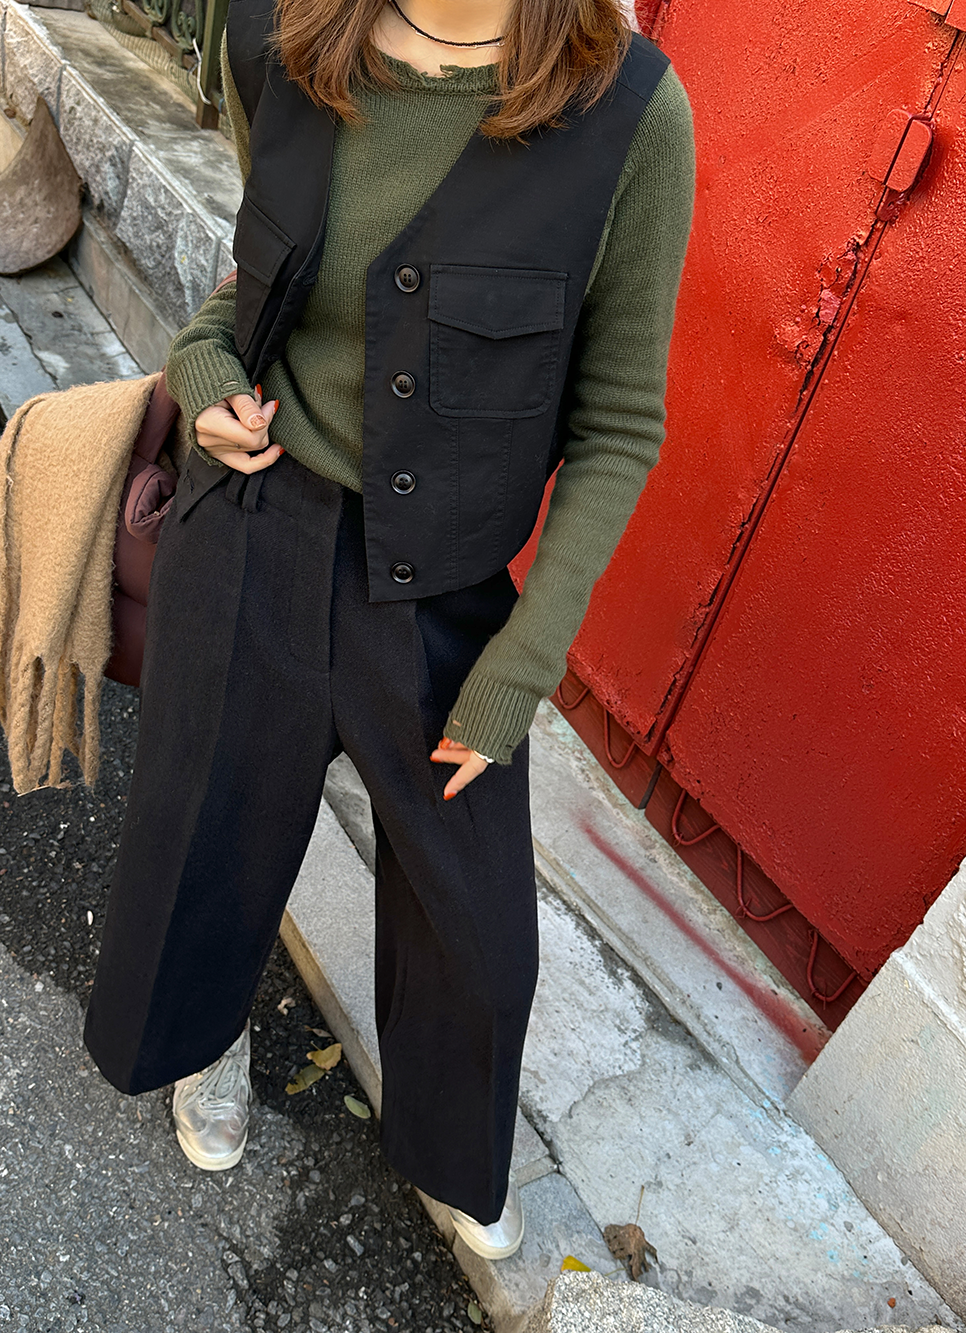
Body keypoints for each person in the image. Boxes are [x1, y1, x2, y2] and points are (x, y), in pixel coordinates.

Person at [82, 0, 694, 1261]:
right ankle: (204, 1034)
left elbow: (620, 423)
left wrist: (521, 666)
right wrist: (204, 372)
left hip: (442, 594)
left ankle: (448, 1142)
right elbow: (252, 288)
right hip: (251, 527)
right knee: (204, 829)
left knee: (476, 929)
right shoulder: (280, 35)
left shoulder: (629, 115)